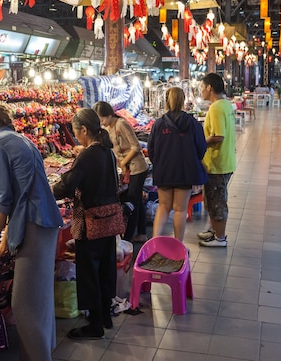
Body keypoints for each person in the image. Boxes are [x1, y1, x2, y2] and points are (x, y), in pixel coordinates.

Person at [0, 101, 63, 361]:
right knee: (40, 301)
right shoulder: (20, 139)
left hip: (33, 224)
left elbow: (3, 197)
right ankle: (39, 353)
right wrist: (6, 236)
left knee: (23, 306)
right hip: (44, 222)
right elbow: (20, 192)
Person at [52, 108, 118, 340]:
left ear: (84, 130)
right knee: (105, 268)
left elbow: (68, 184)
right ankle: (105, 316)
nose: (75, 136)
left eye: (76, 131)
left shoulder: (89, 155)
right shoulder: (106, 151)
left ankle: (95, 326)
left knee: (89, 271)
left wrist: (51, 188)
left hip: (92, 221)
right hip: (109, 220)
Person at [148, 87, 208, 242]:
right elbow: (201, 147)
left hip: (164, 171)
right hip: (185, 171)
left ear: (166, 101)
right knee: (180, 210)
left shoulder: (158, 124)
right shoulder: (192, 123)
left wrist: (160, 163)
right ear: (183, 100)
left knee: (163, 207)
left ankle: (154, 243)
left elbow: (151, 150)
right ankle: (178, 245)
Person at [93, 101, 149, 242]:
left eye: (102, 119)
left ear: (110, 114)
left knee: (132, 201)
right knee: (136, 200)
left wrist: (123, 162)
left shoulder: (121, 124)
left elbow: (135, 147)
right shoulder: (109, 128)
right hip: (128, 169)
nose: (102, 122)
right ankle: (142, 233)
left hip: (137, 168)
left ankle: (128, 237)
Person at [197, 73, 236, 247]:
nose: (200, 90)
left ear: (209, 88)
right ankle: (214, 231)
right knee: (213, 199)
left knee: (217, 201)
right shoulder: (226, 104)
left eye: (201, 87)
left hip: (217, 163)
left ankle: (220, 238)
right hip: (224, 161)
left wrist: (199, 141)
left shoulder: (216, 108)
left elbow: (219, 136)